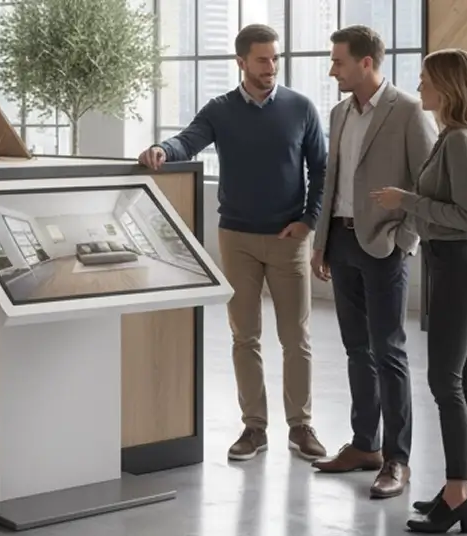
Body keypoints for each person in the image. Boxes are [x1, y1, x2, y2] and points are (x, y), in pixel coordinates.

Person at [140, 24, 328, 462]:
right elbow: (187, 140)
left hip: (288, 239)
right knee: (245, 337)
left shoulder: (300, 108)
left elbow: (320, 169)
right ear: (241, 62)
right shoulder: (220, 110)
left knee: (295, 337)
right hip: (237, 237)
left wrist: (308, 222)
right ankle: (254, 428)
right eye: (262, 59)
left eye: (275, 59)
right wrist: (161, 149)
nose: (271, 67)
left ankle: (301, 427)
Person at [368, 48, 467, 534]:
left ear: (446, 86)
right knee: (463, 382)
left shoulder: (462, 140)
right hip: (456, 265)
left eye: (425, 80)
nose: (419, 86)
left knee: (445, 384)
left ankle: (456, 493)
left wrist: (406, 200)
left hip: (457, 266)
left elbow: (466, 216)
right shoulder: (457, 136)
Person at [308, 25, 438, 502]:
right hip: (340, 243)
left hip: (384, 246)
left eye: (338, 62)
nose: (332, 70)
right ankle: (365, 445)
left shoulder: (406, 111)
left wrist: (405, 240)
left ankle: (397, 458)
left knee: (389, 352)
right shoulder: (340, 111)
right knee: (355, 349)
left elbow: (427, 185)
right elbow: (332, 182)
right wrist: (320, 243)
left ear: (366, 63)